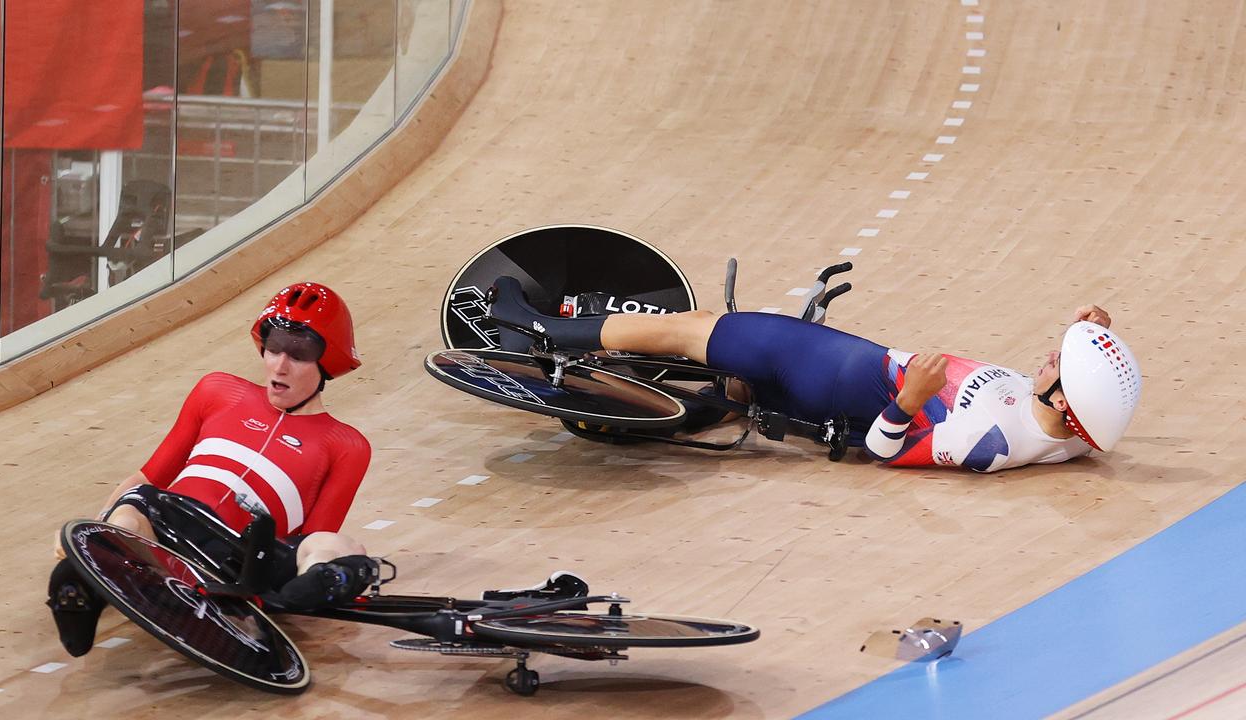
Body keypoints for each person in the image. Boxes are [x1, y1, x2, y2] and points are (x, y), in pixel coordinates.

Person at [485, 275, 1142, 472]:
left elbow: (884, 451)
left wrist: (910, 400)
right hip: (856, 364)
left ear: (1063, 395)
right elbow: (1096, 416)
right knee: (722, 360)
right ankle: (718, 397)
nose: (1047, 355)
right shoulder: (1072, 431)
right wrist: (1095, 333)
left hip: (836, 375)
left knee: (692, 329)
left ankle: (537, 328)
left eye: (1058, 362)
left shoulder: (990, 442)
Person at [48, 282, 378, 657]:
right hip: (174, 525)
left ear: (327, 363)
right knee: (133, 508)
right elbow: (147, 478)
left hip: (249, 553)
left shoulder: (347, 444)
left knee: (335, 545)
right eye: (273, 349)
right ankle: (86, 582)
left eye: (299, 354)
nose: (280, 365)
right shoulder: (216, 390)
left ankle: (305, 594)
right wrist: (94, 527)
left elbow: (314, 534)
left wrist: (312, 563)